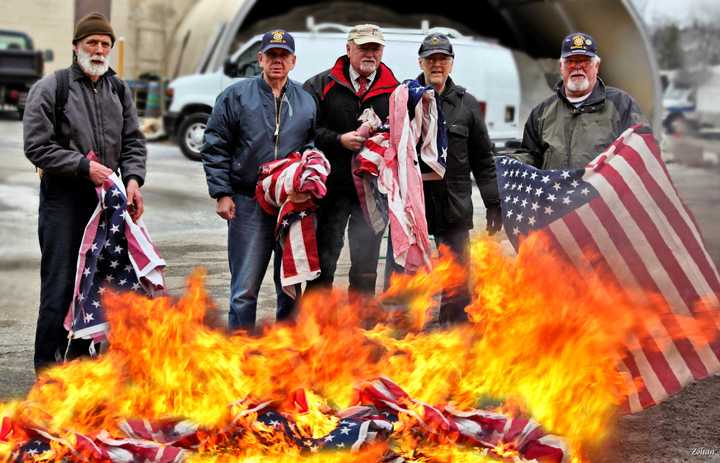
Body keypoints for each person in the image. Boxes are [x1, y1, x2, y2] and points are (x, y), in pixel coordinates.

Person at [23, 12, 147, 372]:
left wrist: (135, 180)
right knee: (60, 287)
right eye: (91, 42)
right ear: (76, 46)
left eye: (105, 44)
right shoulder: (53, 87)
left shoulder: (118, 89)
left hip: (106, 204)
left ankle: (79, 369)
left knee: (96, 287)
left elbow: (133, 143)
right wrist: (82, 166)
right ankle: (48, 372)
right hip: (64, 201)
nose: (99, 50)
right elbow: (36, 146)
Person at [201, 30, 316, 331]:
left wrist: (310, 175)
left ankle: (284, 351)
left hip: (290, 206)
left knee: (291, 286)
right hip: (247, 202)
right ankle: (239, 352)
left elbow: (312, 147)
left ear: (293, 61)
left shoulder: (306, 100)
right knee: (244, 289)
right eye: (271, 55)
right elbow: (215, 145)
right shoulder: (235, 96)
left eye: (283, 56)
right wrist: (222, 193)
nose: (277, 61)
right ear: (260, 58)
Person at [387, 33, 502, 324]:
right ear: (420, 62)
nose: (436, 64)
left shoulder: (467, 104)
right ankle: (406, 329)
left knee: (457, 277)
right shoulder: (403, 99)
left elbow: (483, 158)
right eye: (430, 59)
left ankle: (454, 331)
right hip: (416, 207)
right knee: (406, 274)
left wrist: (493, 202)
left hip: (454, 204)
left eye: (442, 59)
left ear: (451, 63)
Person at [303, 24, 399, 297]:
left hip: (371, 192)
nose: (370, 54)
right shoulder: (321, 85)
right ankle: (318, 325)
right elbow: (308, 131)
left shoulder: (395, 91)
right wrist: (338, 139)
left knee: (366, 264)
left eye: (375, 48)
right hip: (330, 189)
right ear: (348, 49)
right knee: (324, 259)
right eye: (363, 47)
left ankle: (361, 326)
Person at [519, 32, 647, 169]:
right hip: (556, 190)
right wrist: (504, 163)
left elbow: (642, 152)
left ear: (596, 66)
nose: (577, 67)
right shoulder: (541, 113)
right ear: (561, 67)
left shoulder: (622, 105)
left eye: (585, 61)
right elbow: (530, 156)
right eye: (571, 61)